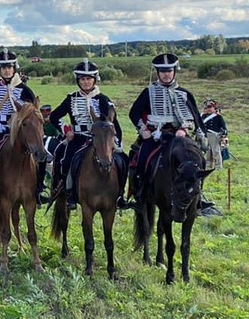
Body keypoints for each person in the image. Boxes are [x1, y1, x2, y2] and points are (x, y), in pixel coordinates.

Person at [128, 53, 207, 212]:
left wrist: (184, 129)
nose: (166, 74)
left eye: (169, 71)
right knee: (141, 158)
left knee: (198, 160)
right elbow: (134, 113)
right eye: (162, 71)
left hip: (179, 136)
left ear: (174, 72)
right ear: (158, 73)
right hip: (155, 135)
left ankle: (198, 198)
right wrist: (143, 131)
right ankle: (140, 194)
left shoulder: (184, 93)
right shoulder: (148, 92)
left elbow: (195, 116)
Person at [0, 48, 47, 205]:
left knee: (41, 152)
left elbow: (34, 113)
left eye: (9, 68)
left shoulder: (24, 89)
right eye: (3, 68)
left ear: (14, 69)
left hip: (20, 129)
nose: (6, 71)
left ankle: (39, 189)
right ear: (0, 70)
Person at [49, 59, 127, 210]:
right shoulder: (71, 98)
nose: (85, 82)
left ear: (95, 79)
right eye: (82, 79)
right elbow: (54, 116)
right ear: (78, 80)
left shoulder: (103, 99)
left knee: (122, 160)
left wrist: (117, 141)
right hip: (78, 137)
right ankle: (69, 194)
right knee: (65, 160)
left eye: (89, 79)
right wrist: (66, 130)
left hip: (101, 140)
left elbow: (114, 123)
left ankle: (120, 195)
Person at [201, 99, 228, 171]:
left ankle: (218, 167)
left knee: (216, 151)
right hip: (204, 135)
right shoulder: (203, 116)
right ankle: (207, 166)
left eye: (210, 107)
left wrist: (223, 137)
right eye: (206, 107)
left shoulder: (218, 117)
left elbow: (223, 128)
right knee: (207, 152)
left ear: (214, 108)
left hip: (213, 135)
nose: (208, 109)